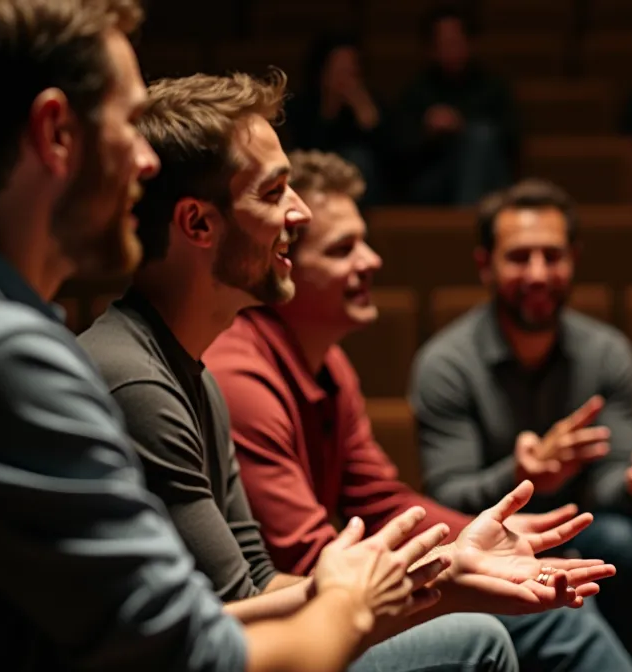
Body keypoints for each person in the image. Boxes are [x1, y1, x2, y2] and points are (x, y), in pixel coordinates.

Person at [0, 2, 456, 671]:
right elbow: (200, 658)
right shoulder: (1, 359)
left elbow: (209, 609)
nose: (148, 162)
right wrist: (350, 599)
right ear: (56, 133)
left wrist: (411, 579)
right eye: (127, 124)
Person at [77, 71, 602, 672]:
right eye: (275, 193)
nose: (298, 214)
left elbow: (259, 582)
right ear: (198, 225)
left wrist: (451, 566)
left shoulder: (192, 374)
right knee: (476, 642)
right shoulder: (140, 382)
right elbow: (233, 606)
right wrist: (442, 576)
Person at [207, 149, 632, 672]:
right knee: (540, 616)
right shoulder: (242, 374)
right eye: (344, 249)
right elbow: (308, 559)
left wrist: (488, 535)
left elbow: (380, 499)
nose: (371, 261)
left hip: (327, 599)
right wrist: (460, 566)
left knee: (568, 577)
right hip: (289, 628)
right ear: (284, 263)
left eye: (364, 243)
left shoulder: (332, 365)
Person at [410, 177, 632, 649]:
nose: (538, 273)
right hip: (481, 540)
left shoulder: (607, 353)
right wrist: (517, 475)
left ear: (573, 260)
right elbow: (448, 494)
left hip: (580, 527)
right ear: (485, 266)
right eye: (519, 257)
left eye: (552, 256)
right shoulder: (446, 363)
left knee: (625, 539)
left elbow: (609, 484)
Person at [395, 4, 515, 205]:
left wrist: (461, 125)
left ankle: (466, 220)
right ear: (431, 48)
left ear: (468, 42)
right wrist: (428, 132)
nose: (450, 48)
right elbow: (398, 152)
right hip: (433, 180)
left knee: (480, 137)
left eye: (455, 41)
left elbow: (511, 137)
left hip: (486, 177)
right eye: (443, 43)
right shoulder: (416, 91)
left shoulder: (491, 86)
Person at [282, 34, 392, 206]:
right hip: (312, 181)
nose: (345, 78)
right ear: (322, 72)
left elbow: (391, 159)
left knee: (358, 157)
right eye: (338, 69)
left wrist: (368, 117)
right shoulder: (303, 104)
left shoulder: (371, 103)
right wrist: (330, 107)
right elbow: (303, 150)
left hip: (362, 190)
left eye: (351, 70)